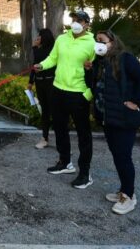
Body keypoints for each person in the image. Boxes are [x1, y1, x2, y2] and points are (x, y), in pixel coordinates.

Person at [88, 30, 140, 215]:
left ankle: (129, 196)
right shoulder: (101, 63)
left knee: (123, 157)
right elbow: (95, 87)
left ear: (113, 41)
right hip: (108, 119)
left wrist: (135, 102)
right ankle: (124, 189)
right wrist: (88, 70)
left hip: (123, 118)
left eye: (101, 40)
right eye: (96, 40)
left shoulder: (125, 58)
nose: (98, 43)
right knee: (117, 155)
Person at [34, 10, 96, 189]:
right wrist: (41, 65)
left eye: (79, 20)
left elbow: (97, 70)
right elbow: (53, 58)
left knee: (83, 134)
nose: (75, 23)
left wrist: (88, 94)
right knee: (60, 127)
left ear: (86, 24)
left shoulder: (92, 43)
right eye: (73, 20)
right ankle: (65, 162)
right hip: (58, 89)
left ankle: (85, 173)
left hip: (79, 93)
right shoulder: (62, 39)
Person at [27, 28, 56, 149]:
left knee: (55, 111)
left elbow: (41, 58)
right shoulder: (39, 49)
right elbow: (35, 64)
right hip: (40, 83)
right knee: (44, 111)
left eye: (39, 38)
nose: (36, 40)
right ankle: (44, 138)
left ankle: (61, 140)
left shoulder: (51, 50)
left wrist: (34, 47)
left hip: (50, 82)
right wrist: (30, 81)